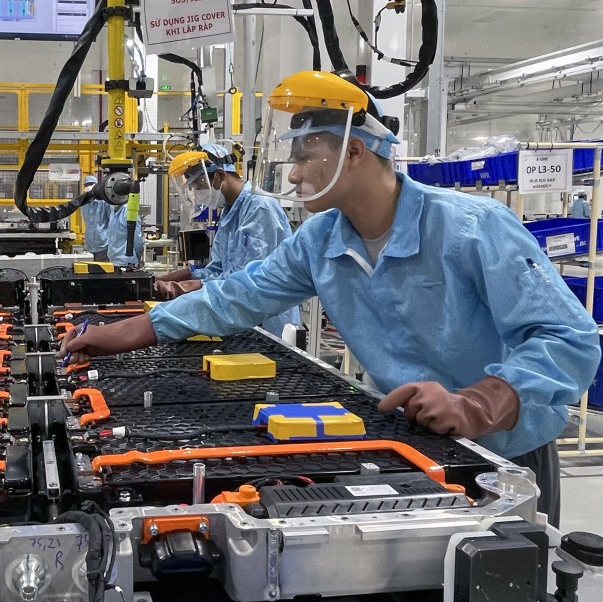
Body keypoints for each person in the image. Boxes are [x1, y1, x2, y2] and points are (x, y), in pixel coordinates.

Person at [60, 70, 600, 526]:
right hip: (415, 442)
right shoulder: (321, 241)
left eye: (306, 157)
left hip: (503, 453)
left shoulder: (472, 228)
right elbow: (236, 295)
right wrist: (132, 330)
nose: (292, 174)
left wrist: (476, 403)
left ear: (356, 151)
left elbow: (568, 340)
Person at [155, 142, 300, 336]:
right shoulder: (229, 213)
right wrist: (176, 280)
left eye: (199, 184)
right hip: (240, 318)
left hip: (267, 323)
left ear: (221, 176)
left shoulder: (259, 208)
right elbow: (217, 269)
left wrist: (192, 286)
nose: (197, 193)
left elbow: (250, 280)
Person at [80, 176, 110, 261]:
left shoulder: (104, 202)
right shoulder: (84, 204)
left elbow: (112, 221)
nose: (88, 187)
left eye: (91, 184)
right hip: (90, 246)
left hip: (104, 245)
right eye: (86, 185)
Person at [106, 202, 144, 267]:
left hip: (127, 263)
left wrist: (138, 257)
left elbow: (137, 240)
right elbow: (110, 238)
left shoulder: (128, 212)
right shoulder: (113, 212)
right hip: (113, 261)